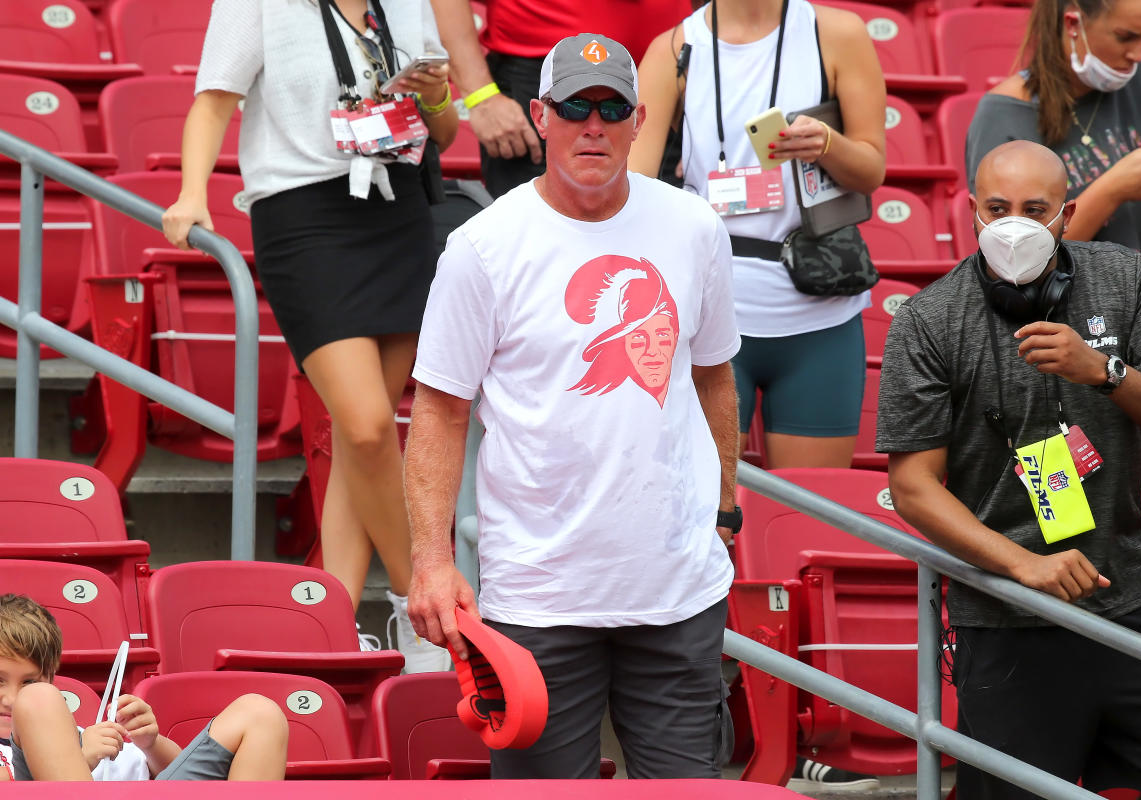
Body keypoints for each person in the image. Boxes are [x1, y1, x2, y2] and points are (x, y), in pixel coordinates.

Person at [403, 33, 741, 778]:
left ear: (639, 119)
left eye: (611, 107)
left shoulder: (693, 227)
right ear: (540, 115)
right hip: (539, 596)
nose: (594, 124)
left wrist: (725, 506)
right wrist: (431, 559)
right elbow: (439, 410)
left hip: (678, 590)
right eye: (575, 107)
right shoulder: (481, 247)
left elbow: (715, 376)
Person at [879, 140, 1141, 798]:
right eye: (997, 208)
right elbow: (912, 488)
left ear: (1067, 212)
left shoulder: (1120, 278)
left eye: (1034, 209)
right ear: (970, 211)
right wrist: (1024, 565)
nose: (1013, 225)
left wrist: (1106, 373)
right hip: (1008, 615)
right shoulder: (929, 321)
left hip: (1130, 594)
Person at [161, 0, 457, 670]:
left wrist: (439, 95)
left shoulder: (409, 4)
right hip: (303, 219)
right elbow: (213, 100)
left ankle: (330, 623)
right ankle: (422, 606)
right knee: (366, 430)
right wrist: (192, 192)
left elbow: (444, 132)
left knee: (366, 442)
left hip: (398, 209)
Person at [965, 0, 1141, 526]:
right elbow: (1011, 258)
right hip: (1062, 346)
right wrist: (1113, 188)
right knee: (1118, 519)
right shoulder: (1004, 115)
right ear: (1074, 22)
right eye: (1124, 37)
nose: (1136, 54)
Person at [629, 0, 886, 473]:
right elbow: (632, 184)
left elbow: (872, 169)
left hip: (819, 313)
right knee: (706, 516)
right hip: (710, 313)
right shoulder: (674, 48)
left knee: (810, 514)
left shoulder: (837, 32)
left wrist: (828, 144)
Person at [0, 594, 288, 781]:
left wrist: (151, 744)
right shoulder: (47, 713)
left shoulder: (91, 735)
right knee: (37, 701)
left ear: (51, 676)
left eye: (29, 681)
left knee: (260, 713)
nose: (11, 699)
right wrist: (82, 758)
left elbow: (178, 774)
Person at [428, 0, 694, 198]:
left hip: (672, 72)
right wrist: (481, 95)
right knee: (539, 250)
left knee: (657, 241)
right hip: (556, 82)